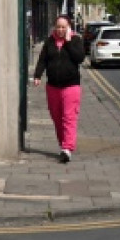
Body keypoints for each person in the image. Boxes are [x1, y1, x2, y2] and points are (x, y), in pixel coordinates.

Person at [31, 15, 86, 163]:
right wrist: (37, 76)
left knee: (69, 117)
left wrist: (68, 42)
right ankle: (63, 144)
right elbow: (43, 59)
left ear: (68, 27)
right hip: (53, 86)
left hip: (71, 85)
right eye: (58, 27)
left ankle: (67, 148)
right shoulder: (49, 42)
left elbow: (80, 58)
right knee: (56, 117)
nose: (60, 30)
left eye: (63, 27)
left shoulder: (75, 40)